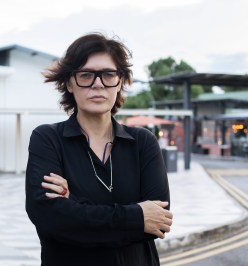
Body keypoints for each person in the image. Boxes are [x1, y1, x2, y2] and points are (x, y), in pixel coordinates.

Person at [25, 33, 172, 266]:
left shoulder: (143, 141)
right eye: (85, 75)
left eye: (108, 74)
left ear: (120, 81)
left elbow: (159, 221)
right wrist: (136, 216)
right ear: (70, 83)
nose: (98, 84)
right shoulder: (48, 138)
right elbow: (49, 217)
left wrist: (75, 205)